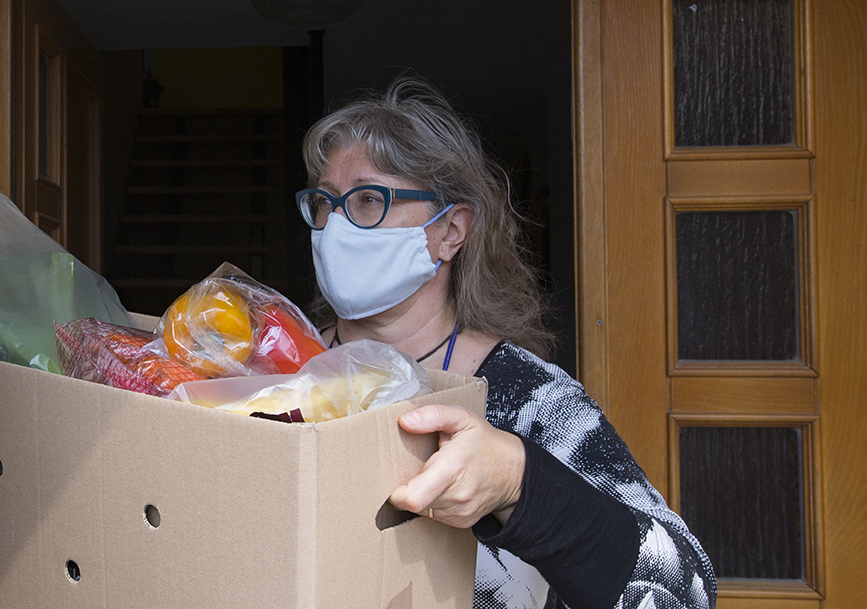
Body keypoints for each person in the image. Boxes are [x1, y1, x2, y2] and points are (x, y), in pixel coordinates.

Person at [296, 78, 715, 609]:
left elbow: (687, 593)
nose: (335, 227)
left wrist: (521, 482)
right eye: (324, 203)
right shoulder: (279, 365)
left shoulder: (535, 399)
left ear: (450, 231)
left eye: (369, 199)